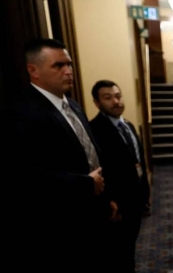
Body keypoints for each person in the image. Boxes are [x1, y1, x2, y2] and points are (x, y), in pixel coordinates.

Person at [6, 38, 114, 272]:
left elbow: (92, 155)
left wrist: (107, 200)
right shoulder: (23, 112)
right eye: (58, 66)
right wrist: (85, 184)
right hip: (60, 225)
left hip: (94, 214)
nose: (68, 71)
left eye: (70, 64)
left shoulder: (73, 105)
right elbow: (24, 175)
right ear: (33, 70)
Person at [90, 80, 150, 273]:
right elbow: (98, 168)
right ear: (97, 103)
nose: (116, 102)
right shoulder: (94, 130)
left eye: (118, 96)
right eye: (108, 98)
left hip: (135, 198)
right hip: (116, 204)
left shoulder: (129, 126)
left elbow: (139, 161)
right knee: (117, 252)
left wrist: (145, 193)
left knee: (129, 245)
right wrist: (108, 202)